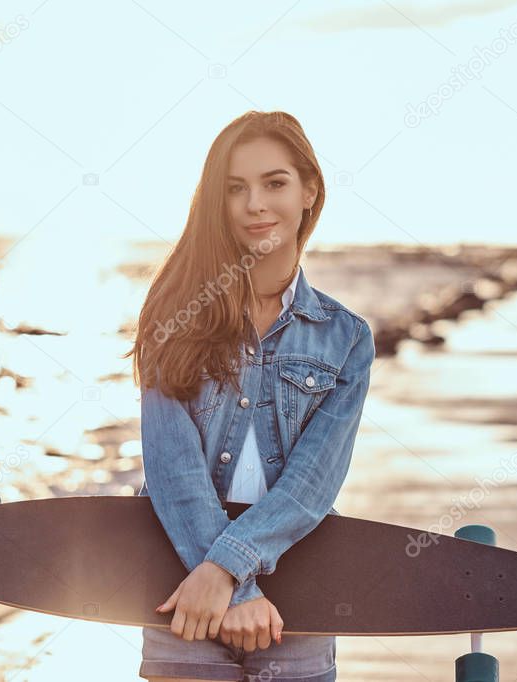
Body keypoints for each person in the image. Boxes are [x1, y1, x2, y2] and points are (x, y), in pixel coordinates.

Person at [124, 111, 374, 682]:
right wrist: (227, 586)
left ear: (310, 190)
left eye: (275, 183)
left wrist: (227, 571)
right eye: (236, 189)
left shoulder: (347, 337)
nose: (256, 204)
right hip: (179, 590)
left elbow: (314, 481)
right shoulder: (173, 315)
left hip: (299, 594)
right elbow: (172, 469)